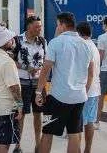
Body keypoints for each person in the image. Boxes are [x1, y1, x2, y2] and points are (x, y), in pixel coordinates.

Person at [35, 12, 93, 153]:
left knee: (48, 132)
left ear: (62, 25)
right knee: (74, 134)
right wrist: (84, 90)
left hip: (58, 98)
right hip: (79, 98)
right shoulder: (86, 45)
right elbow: (91, 72)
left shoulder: (56, 43)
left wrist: (38, 92)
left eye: (57, 25)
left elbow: (46, 69)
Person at [14, 15, 47, 153]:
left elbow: (47, 60)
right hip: (22, 84)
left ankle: (38, 144)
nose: (39, 29)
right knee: (21, 114)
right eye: (36, 26)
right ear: (29, 27)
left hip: (39, 84)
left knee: (38, 114)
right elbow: (11, 61)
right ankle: (17, 145)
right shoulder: (18, 41)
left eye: (40, 26)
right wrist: (27, 68)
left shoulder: (43, 41)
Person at [77, 22, 102, 153]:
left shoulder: (84, 46)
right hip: (94, 90)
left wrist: (83, 92)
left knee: (79, 124)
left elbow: (90, 73)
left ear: (79, 34)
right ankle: (87, 150)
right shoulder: (93, 46)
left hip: (85, 91)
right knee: (90, 122)